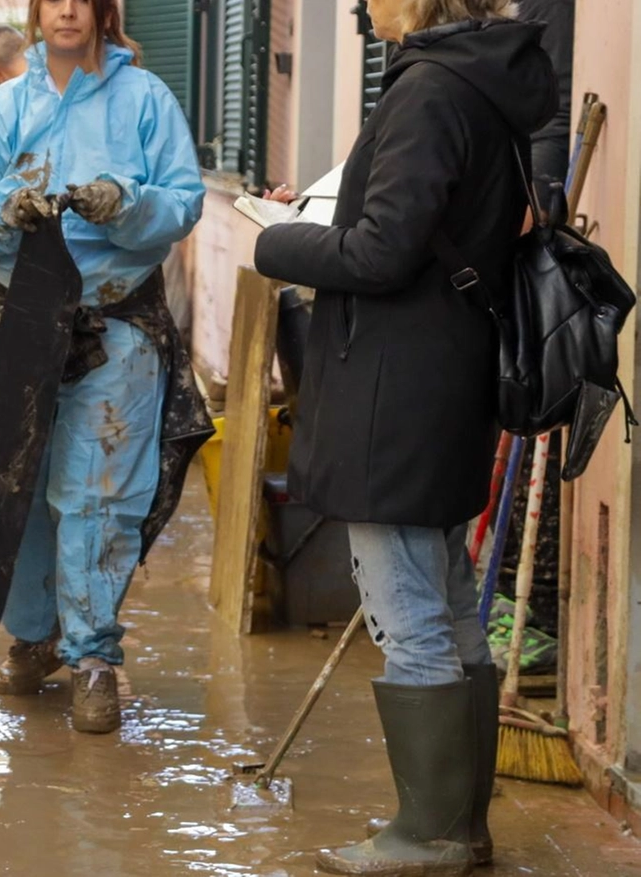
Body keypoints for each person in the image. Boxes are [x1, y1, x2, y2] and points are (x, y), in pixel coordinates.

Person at [252, 1, 555, 873]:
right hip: (446, 380)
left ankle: (428, 833)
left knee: (407, 606)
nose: (361, 6)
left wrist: (280, 242)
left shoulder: (429, 91)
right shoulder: (484, 84)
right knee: (452, 599)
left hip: (396, 393)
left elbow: (381, 252)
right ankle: (461, 827)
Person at [0, 0, 205, 735]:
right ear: (35, 12)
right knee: (15, 487)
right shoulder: (3, 110)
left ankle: (94, 658)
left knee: (97, 493)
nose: (66, 9)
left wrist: (127, 203)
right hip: (20, 322)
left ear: (102, 11)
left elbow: (184, 201)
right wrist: (3, 211)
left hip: (115, 324)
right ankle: (34, 637)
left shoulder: (146, 99)